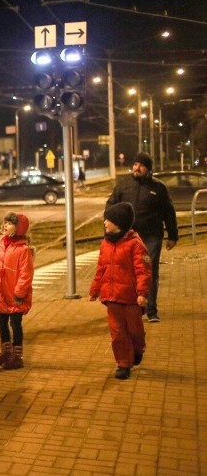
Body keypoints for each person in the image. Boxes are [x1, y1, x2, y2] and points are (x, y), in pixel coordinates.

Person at [106, 152, 177, 322]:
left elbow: (169, 212)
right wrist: (109, 229)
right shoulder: (123, 186)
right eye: (136, 164)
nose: (137, 168)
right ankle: (132, 307)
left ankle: (151, 309)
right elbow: (111, 206)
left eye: (142, 165)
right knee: (128, 273)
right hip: (128, 237)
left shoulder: (159, 188)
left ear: (149, 169)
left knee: (149, 271)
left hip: (151, 237)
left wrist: (172, 235)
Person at [89, 202, 152, 380]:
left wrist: (142, 293)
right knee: (117, 332)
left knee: (134, 330)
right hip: (111, 297)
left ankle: (138, 349)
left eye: (108, 220)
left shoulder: (135, 244)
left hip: (131, 297)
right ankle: (123, 363)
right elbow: (101, 268)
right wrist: (94, 290)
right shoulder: (106, 243)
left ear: (120, 223)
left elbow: (143, 271)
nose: (105, 223)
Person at [0, 212, 34, 370]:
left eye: (10, 223)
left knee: (15, 323)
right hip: (1, 292)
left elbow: (25, 274)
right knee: (1, 321)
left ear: (19, 228)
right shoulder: (0, 245)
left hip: (14, 294)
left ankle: (17, 356)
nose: (5, 225)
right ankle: (6, 351)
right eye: (5, 222)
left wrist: (19, 293)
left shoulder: (23, 250)